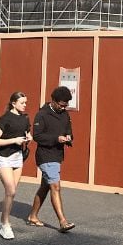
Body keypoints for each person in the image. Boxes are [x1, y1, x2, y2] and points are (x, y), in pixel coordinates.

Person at [26, 86, 76, 233]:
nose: (63, 107)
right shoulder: (42, 115)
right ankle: (63, 222)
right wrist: (56, 139)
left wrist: (68, 138)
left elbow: (69, 131)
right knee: (56, 186)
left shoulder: (65, 114)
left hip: (57, 155)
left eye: (66, 105)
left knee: (45, 186)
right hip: (45, 156)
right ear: (53, 101)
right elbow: (37, 136)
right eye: (61, 104)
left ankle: (32, 216)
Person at [0, 91, 33, 239]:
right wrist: (14, 140)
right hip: (4, 157)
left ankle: (3, 222)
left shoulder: (25, 118)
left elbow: (27, 132)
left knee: (12, 192)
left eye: (26, 102)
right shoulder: (5, 119)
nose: (25, 105)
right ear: (13, 103)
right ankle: (5, 223)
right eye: (22, 102)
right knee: (11, 190)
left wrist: (29, 137)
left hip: (18, 157)